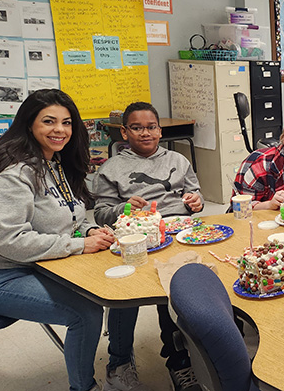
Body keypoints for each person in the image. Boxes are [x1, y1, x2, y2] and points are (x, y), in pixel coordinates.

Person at [0, 89, 113, 391]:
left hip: (40, 263)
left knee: (113, 283)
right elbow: (9, 240)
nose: (60, 130)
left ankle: (121, 360)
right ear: (29, 124)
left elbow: (67, 216)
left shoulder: (53, 162)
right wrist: (77, 245)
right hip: (4, 273)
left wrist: (87, 231)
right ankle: (84, 387)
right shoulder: (15, 171)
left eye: (67, 122)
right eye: (49, 121)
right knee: (85, 313)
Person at [93, 102, 202, 391]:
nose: (145, 133)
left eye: (151, 127)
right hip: (135, 240)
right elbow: (100, 213)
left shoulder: (178, 161)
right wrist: (123, 208)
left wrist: (196, 201)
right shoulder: (112, 168)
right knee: (125, 296)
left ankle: (180, 358)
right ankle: (119, 361)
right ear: (124, 132)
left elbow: (195, 194)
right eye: (137, 128)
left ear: (160, 129)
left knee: (177, 291)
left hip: (177, 235)